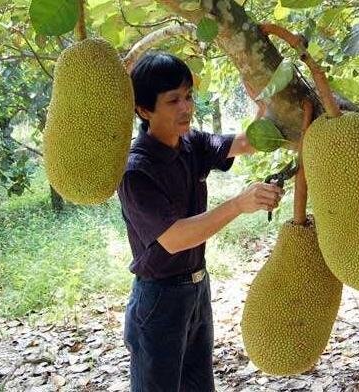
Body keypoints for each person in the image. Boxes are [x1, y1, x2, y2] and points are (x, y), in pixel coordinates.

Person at [117, 51, 284, 392]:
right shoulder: (136, 170)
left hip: (197, 289)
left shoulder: (191, 143)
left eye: (189, 96)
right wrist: (239, 204)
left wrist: (263, 103)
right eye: (173, 100)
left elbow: (248, 142)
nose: (186, 107)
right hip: (159, 298)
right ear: (144, 110)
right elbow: (175, 237)